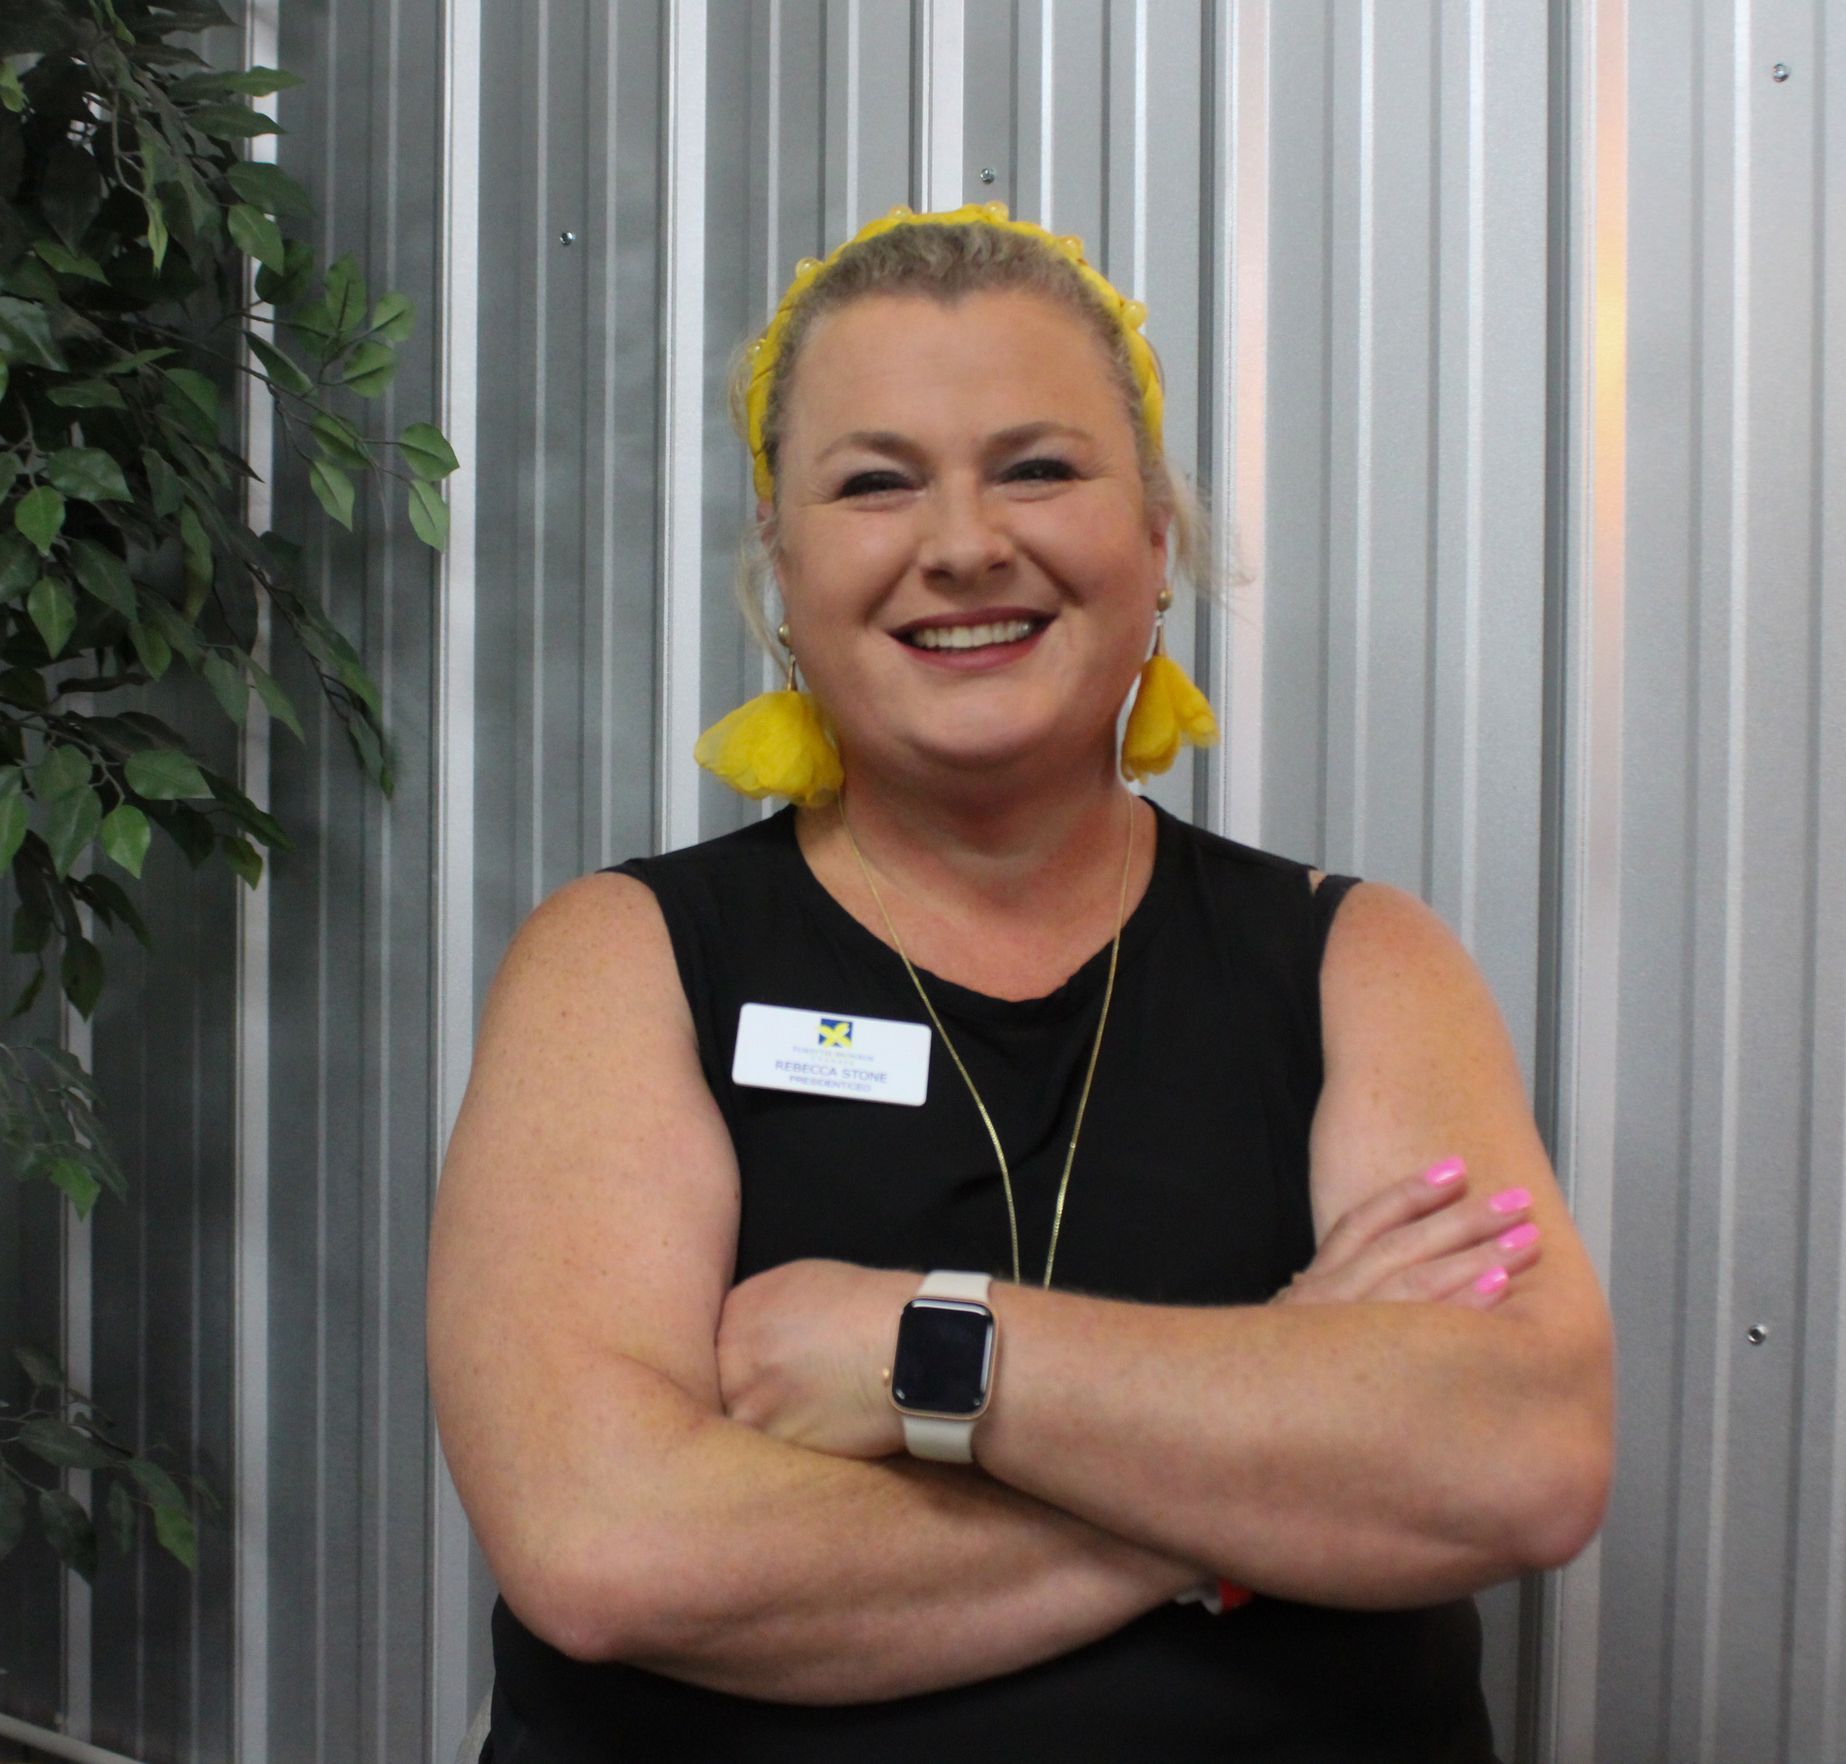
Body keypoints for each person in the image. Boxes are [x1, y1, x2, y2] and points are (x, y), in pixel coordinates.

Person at [427, 205, 1614, 1762]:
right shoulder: (622, 961)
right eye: (875, 482)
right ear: (782, 572)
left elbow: (1518, 1456)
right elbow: (610, 1548)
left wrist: (912, 1348)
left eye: (1039, 467)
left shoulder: (1361, 964)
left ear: (1156, 542)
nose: (967, 541)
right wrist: (1248, 1485)